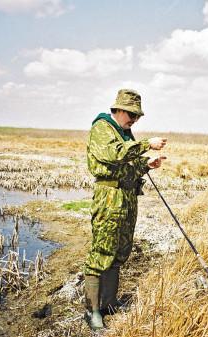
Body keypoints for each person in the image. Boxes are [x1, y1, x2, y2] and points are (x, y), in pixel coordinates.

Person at [83, 88, 167, 330]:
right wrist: (146, 145)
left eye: (137, 115)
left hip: (128, 197)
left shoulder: (125, 132)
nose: (134, 119)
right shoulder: (102, 127)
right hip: (109, 198)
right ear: (117, 109)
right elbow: (112, 154)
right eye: (131, 113)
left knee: (120, 252)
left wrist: (147, 164)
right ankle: (92, 311)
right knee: (101, 253)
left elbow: (128, 164)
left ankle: (109, 303)